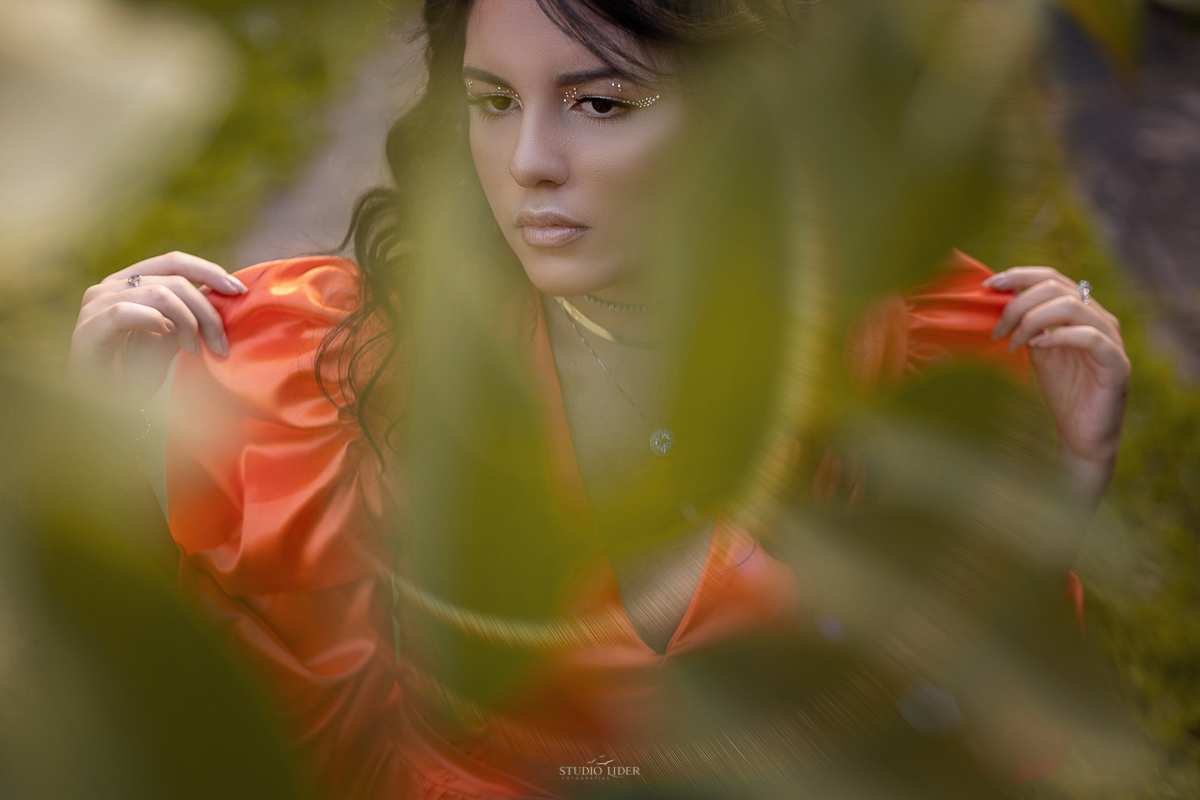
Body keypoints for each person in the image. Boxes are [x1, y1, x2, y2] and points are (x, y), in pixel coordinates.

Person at [68, 0, 1131, 797]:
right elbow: (184, 725)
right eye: (492, 102)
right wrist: (104, 461)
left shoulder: (916, 355)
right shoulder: (316, 366)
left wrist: (1054, 504)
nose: (530, 162)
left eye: (601, 103)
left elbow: (952, 743)